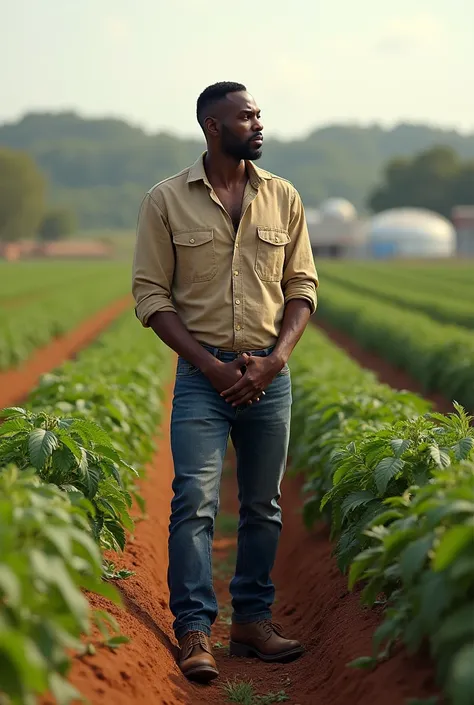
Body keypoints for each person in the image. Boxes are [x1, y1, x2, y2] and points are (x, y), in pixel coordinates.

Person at [132, 81, 319, 683]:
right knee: (195, 503)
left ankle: (251, 624)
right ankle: (193, 632)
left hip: (269, 373)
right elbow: (151, 296)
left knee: (262, 507)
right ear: (214, 127)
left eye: (259, 114)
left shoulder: (283, 198)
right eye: (247, 117)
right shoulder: (166, 200)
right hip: (201, 376)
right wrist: (210, 366)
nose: (259, 124)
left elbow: (302, 288)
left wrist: (276, 359)